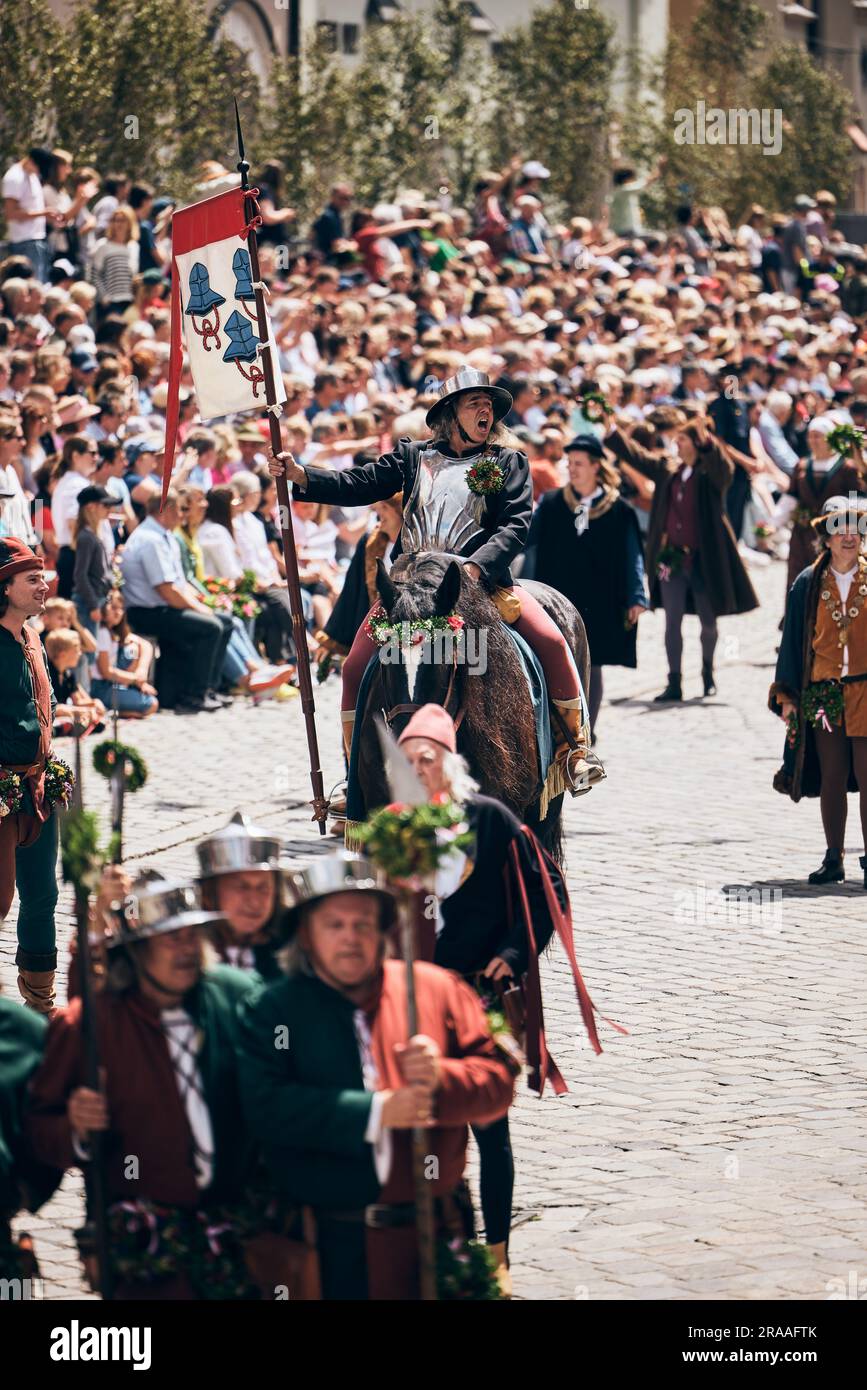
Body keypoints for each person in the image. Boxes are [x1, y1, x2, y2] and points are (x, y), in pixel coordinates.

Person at [269, 367, 595, 795]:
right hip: (412, 584)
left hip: (478, 583)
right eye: (474, 403)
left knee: (552, 642)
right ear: (450, 412)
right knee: (353, 668)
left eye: (489, 404)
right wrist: (302, 476)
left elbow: (515, 525)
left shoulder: (507, 461)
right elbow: (359, 483)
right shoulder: (412, 457)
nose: (486, 410)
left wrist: (477, 567)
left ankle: (575, 751)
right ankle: (355, 777)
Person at [236, 849, 516, 1301]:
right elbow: (266, 1108)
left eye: (363, 924)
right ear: (306, 935)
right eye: (335, 925)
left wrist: (440, 1081)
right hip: (327, 1248)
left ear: (384, 931)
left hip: (432, 1237)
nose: (351, 938)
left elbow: (499, 1081)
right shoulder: (274, 1010)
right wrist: (378, 1111)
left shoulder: (434, 988)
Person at [396, 704, 610, 1293]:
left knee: (488, 1125)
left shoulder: (488, 820)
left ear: (449, 763)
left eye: (428, 758)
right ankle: (445, 1245)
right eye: (408, 760)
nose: (418, 770)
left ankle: (497, 1256)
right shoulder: (394, 826)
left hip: (476, 997)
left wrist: (514, 954)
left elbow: (549, 889)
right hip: (412, 1005)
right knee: (429, 1128)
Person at [26, 867, 263, 1299]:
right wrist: (75, 1127)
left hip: (236, 1240)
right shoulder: (90, 1025)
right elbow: (41, 1129)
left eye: (192, 937)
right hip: (145, 1252)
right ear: (137, 951)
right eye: (171, 939)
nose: (186, 950)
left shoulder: (233, 1000)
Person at [607, 415, 758, 701]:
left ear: (696, 443)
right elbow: (638, 457)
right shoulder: (668, 469)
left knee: (708, 621)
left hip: (704, 560)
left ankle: (707, 672)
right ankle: (674, 681)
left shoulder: (710, 474)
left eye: (683, 439)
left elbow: (724, 469)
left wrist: (706, 441)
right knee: (671, 621)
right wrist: (612, 430)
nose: (676, 443)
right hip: (670, 560)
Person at [770, 497, 867, 887]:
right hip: (823, 694)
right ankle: (834, 857)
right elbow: (793, 641)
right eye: (840, 529)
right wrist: (788, 697)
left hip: (865, 690)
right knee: (832, 775)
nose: (848, 536)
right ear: (826, 537)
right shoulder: (808, 583)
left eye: (856, 528)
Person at [524, 434, 648, 737]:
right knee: (552, 659)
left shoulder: (619, 509)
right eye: (569, 463)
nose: (572, 469)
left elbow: (633, 555)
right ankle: (554, 726)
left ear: (595, 466)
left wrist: (636, 596)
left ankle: (586, 730)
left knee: (592, 664)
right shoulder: (553, 503)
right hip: (557, 597)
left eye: (579, 463)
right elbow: (526, 539)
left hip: (600, 599)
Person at [0, 540, 61, 1013]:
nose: (45, 586)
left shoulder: (32, 637)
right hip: (0, 789)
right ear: (5, 588)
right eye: (33, 579)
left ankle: (40, 1005)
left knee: (42, 894)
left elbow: (39, 703)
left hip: (38, 785)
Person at [119, 490, 231, 714]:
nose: (183, 515)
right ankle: (194, 695)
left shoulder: (164, 536)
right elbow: (166, 590)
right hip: (146, 612)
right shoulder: (150, 539)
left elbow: (179, 584)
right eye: (180, 509)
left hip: (162, 607)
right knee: (211, 627)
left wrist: (204, 605)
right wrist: (202, 610)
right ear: (165, 510)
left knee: (225, 621)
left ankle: (208, 688)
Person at [195, 813, 284, 980]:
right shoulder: (189, 961)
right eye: (241, 887)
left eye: (263, 888)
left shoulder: (291, 956)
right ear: (208, 894)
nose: (254, 902)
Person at [783, 417, 866, 594]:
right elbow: (791, 497)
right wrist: (772, 523)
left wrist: (853, 531)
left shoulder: (847, 467)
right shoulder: (802, 466)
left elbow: (856, 497)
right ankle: (797, 618)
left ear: (830, 438)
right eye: (810, 436)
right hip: (803, 531)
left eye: (818, 436)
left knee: (830, 576)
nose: (813, 441)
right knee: (798, 576)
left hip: (833, 532)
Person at [91, 588, 158, 717]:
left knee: (133, 650)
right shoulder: (103, 632)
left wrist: (140, 673)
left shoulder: (113, 632)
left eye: (121, 609)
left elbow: (144, 644)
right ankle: (110, 713)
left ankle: (111, 712)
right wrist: (136, 680)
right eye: (114, 608)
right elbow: (106, 671)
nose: (118, 613)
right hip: (100, 687)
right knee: (151, 704)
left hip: (109, 685)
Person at [51, 434, 99, 597]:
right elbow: (73, 524)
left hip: (76, 557)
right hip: (78, 558)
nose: (96, 458)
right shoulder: (75, 484)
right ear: (75, 455)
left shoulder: (74, 481)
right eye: (92, 453)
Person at [2, 149, 55, 283]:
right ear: (31, 161)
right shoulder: (15, 177)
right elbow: (11, 213)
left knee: (39, 284)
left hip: (36, 239)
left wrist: (48, 216)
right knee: (31, 284)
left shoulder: (32, 176)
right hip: (24, 241)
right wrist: (43, 213)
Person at [70, 484, 114, 636]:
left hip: (93, 600)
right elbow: (80, 575)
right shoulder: (86, 536)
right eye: (106, 505)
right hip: (87, 603)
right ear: (91, 507)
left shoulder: (91, 534)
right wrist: (93, 605)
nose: (109, 509)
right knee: (87, 655)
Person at [90, 207, 139, 316]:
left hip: (129, 300)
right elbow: (94, 275)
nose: (119, 224)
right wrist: (103, 297)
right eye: (116, 220)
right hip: (110, 302)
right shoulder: (103, 245)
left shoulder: (133, 246)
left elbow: (133, 275)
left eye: (123, 220)